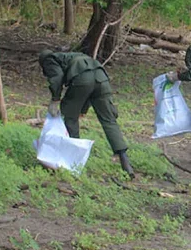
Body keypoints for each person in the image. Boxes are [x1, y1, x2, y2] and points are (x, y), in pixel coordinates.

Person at [38, 49, 134, 177]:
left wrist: (55, 99)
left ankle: (72, 161)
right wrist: (83, 110)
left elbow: (57, 78)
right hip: (101, 78)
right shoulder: (75, 56)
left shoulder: (50, 60)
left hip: (83, 79)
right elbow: (90, 88)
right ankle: (125, 161)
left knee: (70, 117)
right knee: (109, 119)